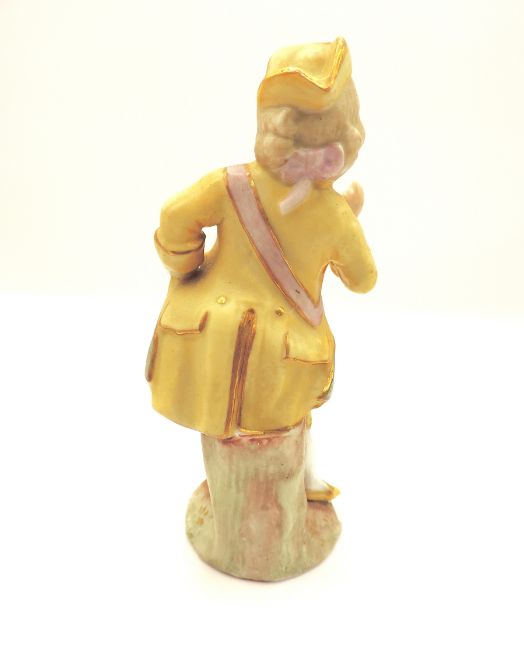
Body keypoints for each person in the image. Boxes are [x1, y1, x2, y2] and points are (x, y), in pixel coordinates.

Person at [146, 37, 377, 501]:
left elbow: (174, 218)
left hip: (211, 342)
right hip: (282, 356)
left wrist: (187, 267)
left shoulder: (229, 183)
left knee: (225, 437)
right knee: (290, 424)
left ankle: (229, 504)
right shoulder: (334, 215)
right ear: (348, 134)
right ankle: (292, 493)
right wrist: (346, 225)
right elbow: (363, 279)